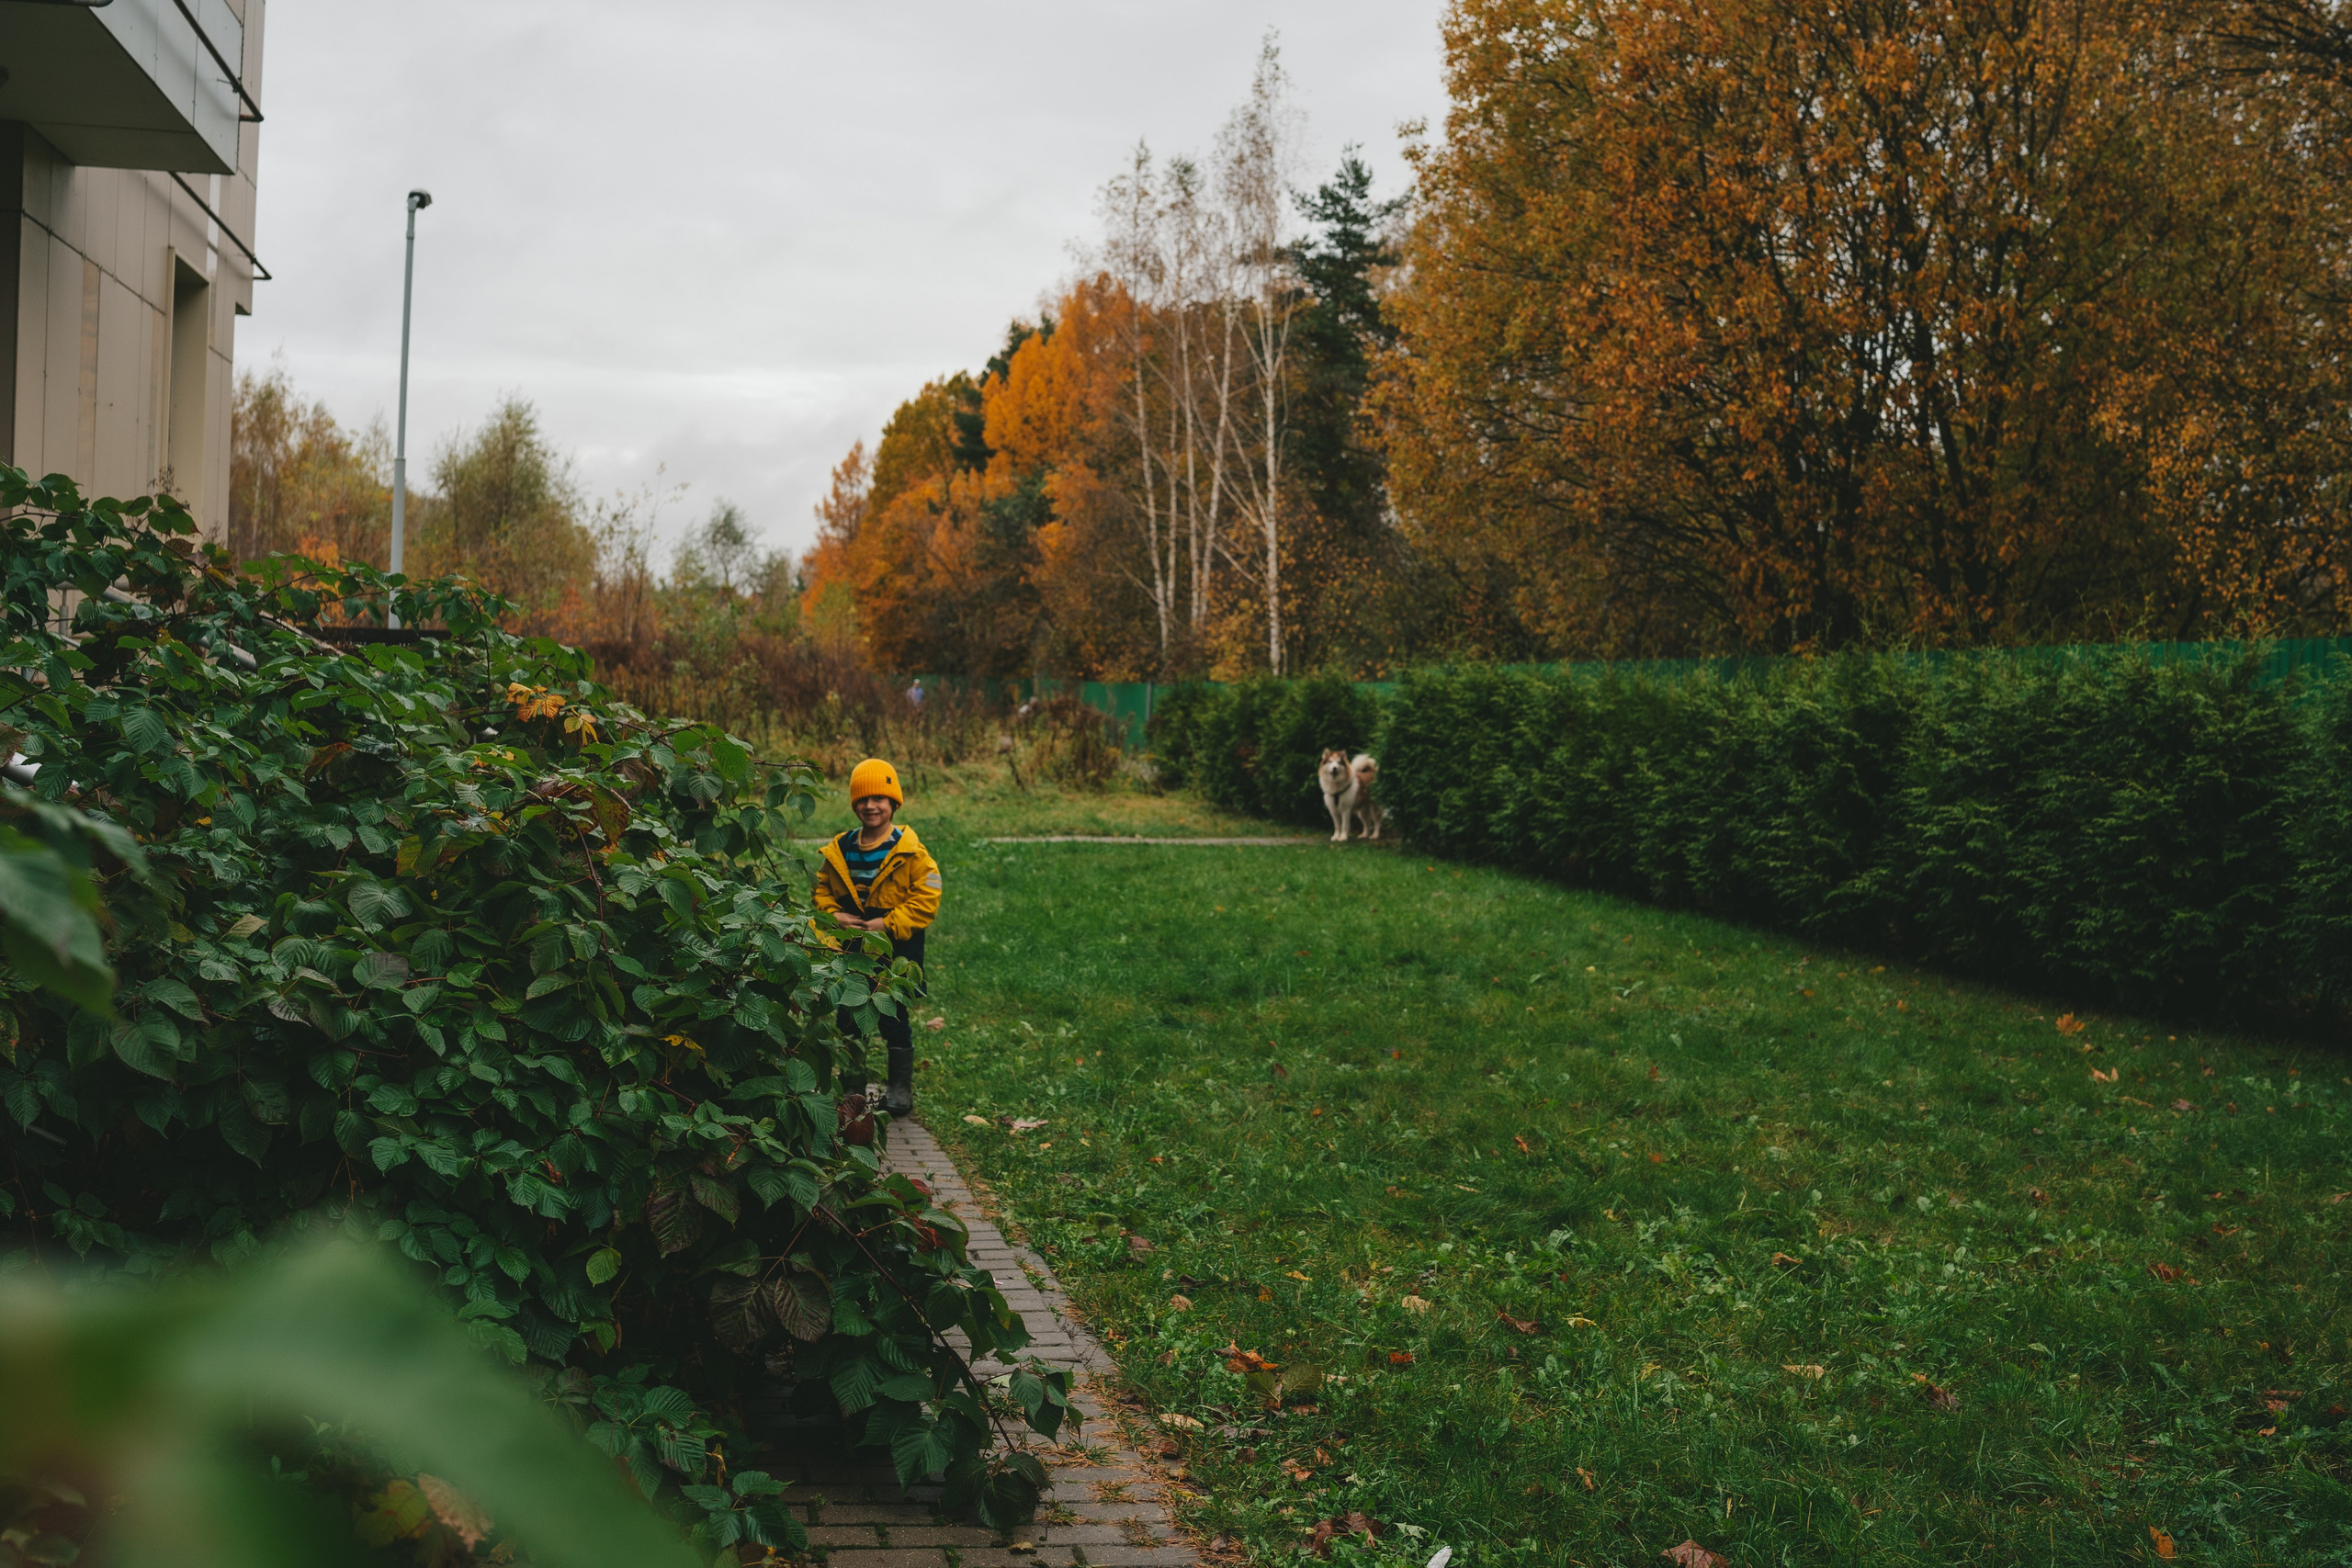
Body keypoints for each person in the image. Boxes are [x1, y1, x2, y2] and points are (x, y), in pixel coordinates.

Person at [811, 758, 940, 1116]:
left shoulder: (910, 850)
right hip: (852, 942)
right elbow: (822, 890)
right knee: (849, 1013)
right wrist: (834, 916)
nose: (871, 806)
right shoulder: (841, 848)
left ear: (894, 803)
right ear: (854, 804)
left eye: (880, 799)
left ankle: (899, 1089)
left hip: (897, 942)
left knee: (893, 1014)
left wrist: (890, 922)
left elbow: (927, 896)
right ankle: (853, 1087)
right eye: (863, 799)